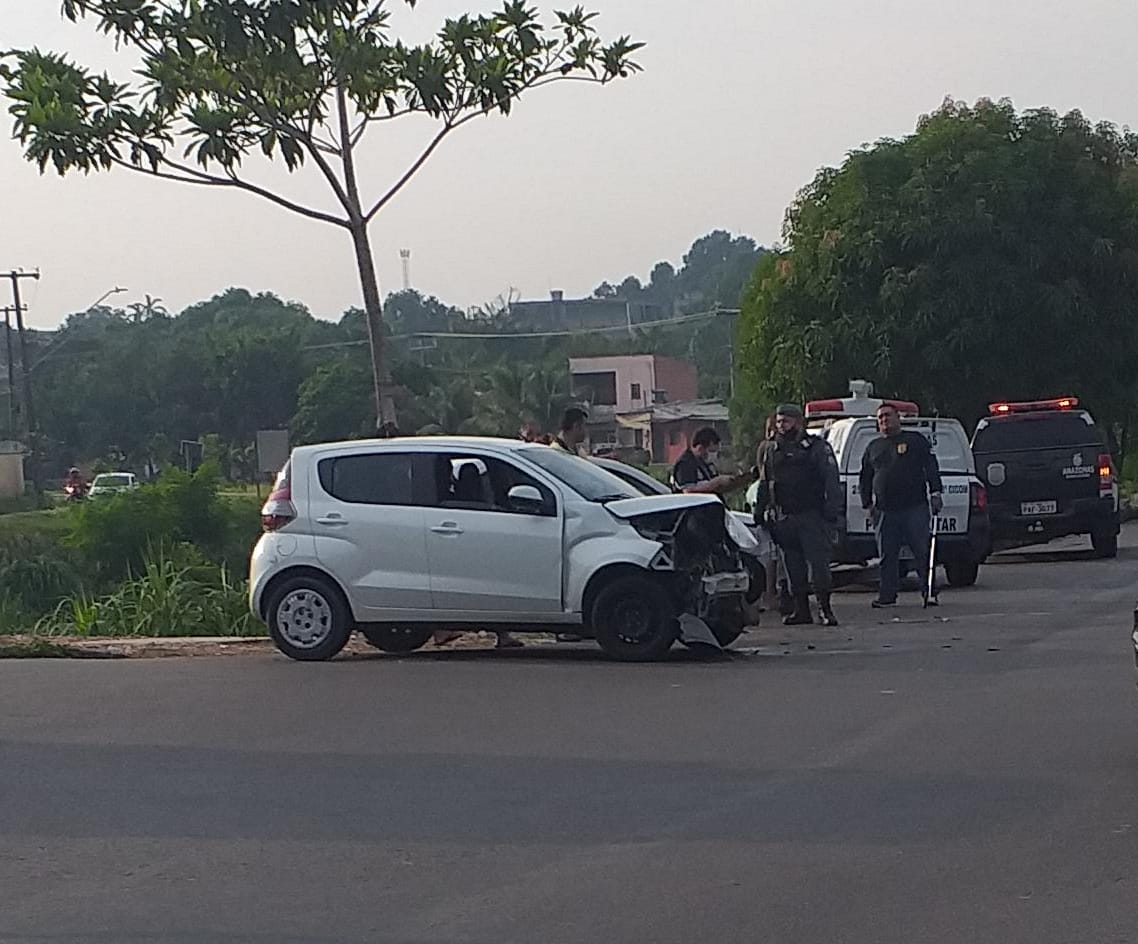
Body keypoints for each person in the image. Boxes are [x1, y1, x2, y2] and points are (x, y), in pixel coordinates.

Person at [755, 404, 842, 627]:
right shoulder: (771, 450)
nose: (781, 426)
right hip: (784, 517)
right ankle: (801, 610)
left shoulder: (816, 448)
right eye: (778, 422)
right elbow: (765, 482)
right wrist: (760, 509)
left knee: (819, 566)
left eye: (785, 421)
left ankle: (825, 609)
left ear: (798, 421)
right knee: (793, 568)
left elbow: (831, 481)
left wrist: (832, 512)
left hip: (811, 515)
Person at [860, 403, 944, 608]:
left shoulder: (915, 441)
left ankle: (929, 591)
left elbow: (931, 466)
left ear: (898, 418)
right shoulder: (873, 447)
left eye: (888, 416)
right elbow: (865, 477)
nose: (884, 421)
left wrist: (936, 492)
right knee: (887, 556)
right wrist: (867, 504)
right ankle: (887, 596)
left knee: (922, 551)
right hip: (885, 511)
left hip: (914, 507)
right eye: (880, 418)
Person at [670, 427, 751, 497]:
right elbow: (689, 491)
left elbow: (713, 487)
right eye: (712, 451)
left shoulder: (705, 464)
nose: (713, 455)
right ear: (700, 448)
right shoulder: (685, 464)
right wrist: (717, 482)